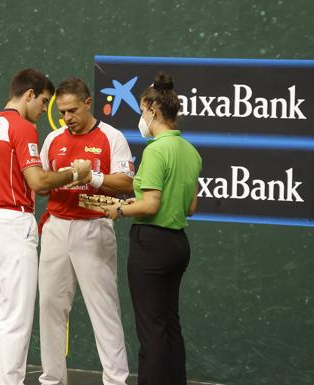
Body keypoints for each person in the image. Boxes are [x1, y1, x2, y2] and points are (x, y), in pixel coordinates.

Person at [0, 68, 92, 385]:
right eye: (43, 102)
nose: (43, 111)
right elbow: (37, 180)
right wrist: (76, 174)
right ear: (29, 94)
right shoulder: (21, 128)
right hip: (13, 224)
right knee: (16, 318)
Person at [103, 73, 201, 385]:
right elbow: (190, 207)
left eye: (141, 110)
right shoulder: (190, 151)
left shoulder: (156, 150)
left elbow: (150, 205)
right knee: (169, 324)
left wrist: (118, 208)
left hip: (152, 247)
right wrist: (139, 200)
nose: (140, 118)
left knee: (151, 329)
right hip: (177, 246)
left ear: (153, 110)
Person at [37, 77, 134, 385]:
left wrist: (90, 176)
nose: (67, 118)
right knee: (50, 306)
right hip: (56, 227)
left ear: (88, 103)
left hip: (94, 229)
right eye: (63, 112)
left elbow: (127, 183)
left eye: (73, 110)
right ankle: (52, 379)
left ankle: (115, 381)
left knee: (104, 309)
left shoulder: (112, 137)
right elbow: (40, 182)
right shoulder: (53, 139)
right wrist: (63, 176)